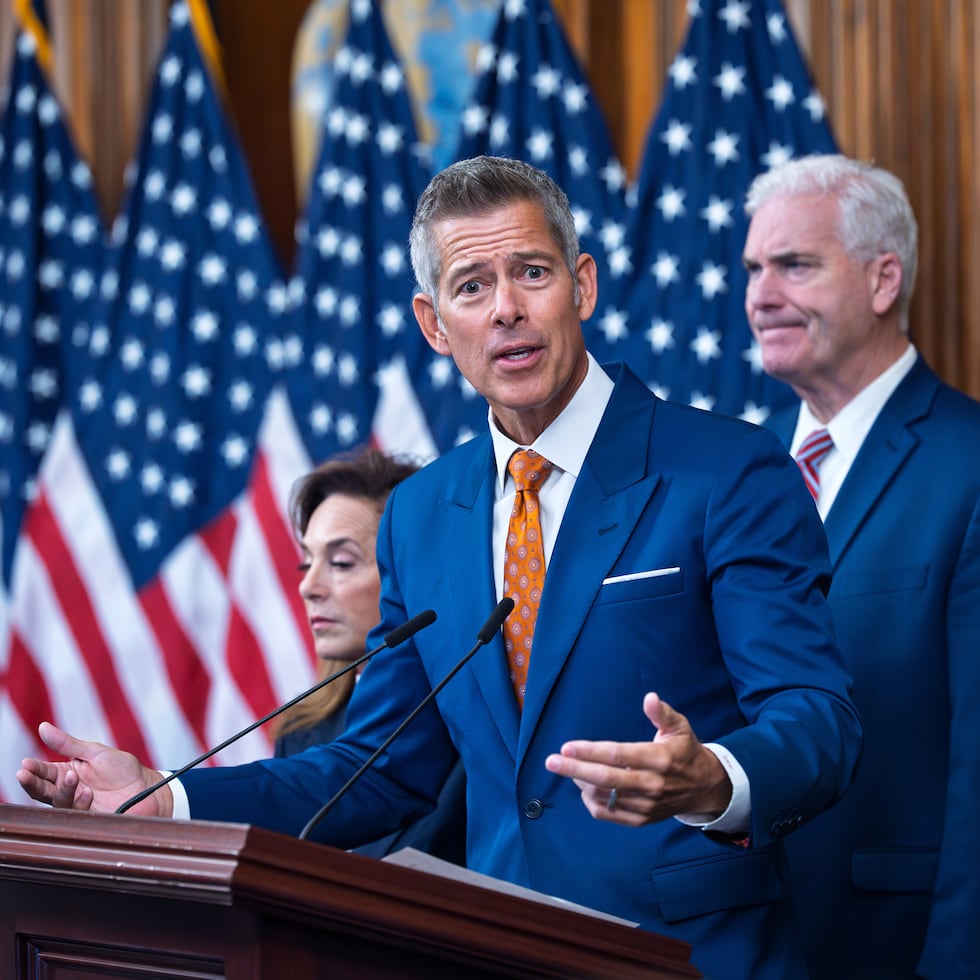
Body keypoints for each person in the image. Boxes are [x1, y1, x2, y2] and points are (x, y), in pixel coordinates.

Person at [19, 156, 863, 980]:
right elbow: (382, 765)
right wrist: (170, 798)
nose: (505, 310)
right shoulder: (422, 513)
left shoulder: (725, 472)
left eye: (531, 272)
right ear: (434, 324)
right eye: (471, 286)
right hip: (498, 947)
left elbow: (816, 718)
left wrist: (713, 778)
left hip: (688, 953)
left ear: (584, 287)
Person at [743, 153, 980, 979]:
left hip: (899, 945)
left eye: (795, 266)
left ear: (884, 281)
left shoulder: (970, 465)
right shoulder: (741, 470)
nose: (760, 296)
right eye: (754, 269)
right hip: (738, 942)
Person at [273, 447, 466, 863]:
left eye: (341, 563)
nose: (309, 586)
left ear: (409, 574)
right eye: (306, 562)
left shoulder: (471, 718)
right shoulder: (303, 731)